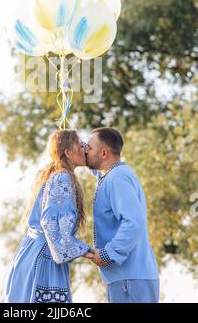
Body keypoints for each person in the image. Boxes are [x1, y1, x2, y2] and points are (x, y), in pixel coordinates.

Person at [1, 129, 94, 303]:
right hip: (45, 257)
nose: (84, 148)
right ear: (68, 152)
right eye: (80, 144)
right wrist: (85, 250)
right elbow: (51, 223)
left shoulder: (53, 175)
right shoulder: (62, 179)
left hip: (33, 253)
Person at [85, 127, 159, 303]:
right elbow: (98, 171)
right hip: (127, 279)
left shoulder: (117, 178)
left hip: (130, 281)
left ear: (103, 153)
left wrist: (108, 254)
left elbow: (133, 223)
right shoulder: (113, 175)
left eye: (89, 147)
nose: (85, 150)